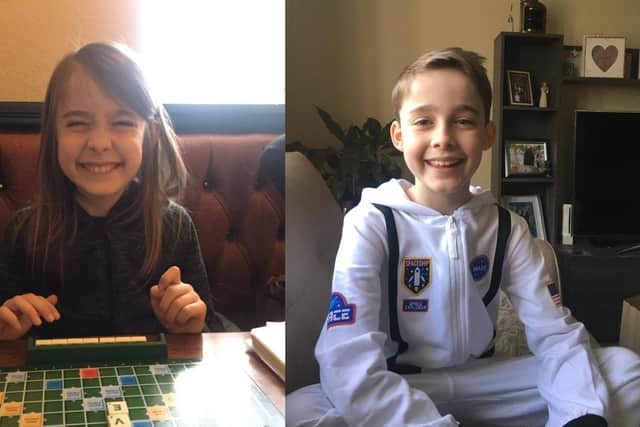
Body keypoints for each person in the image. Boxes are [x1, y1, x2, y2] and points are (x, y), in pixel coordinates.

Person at [287, 48, 640, 426]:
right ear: (399, 135)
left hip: (483, 384)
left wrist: (579, 415)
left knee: (624, 369)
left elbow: (555, 333)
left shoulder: (507, 228)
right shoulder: (371, 222)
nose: (443, 138)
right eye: (423, 121)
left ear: (487, 134)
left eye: (463, 121)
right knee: (298, 412)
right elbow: (347, 356)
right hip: (396, 384)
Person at [0, 42, 225, 340]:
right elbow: (6, 326)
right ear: (54, 134)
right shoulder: (24, 230)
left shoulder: (175, 225)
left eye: (122, 122)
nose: (100, 143)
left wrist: (188, 325)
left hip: (153, 383)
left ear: (150, 135)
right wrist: (6, 331)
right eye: (78, 123)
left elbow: (207, 329)